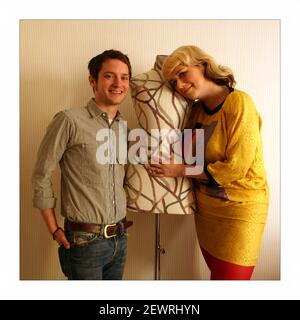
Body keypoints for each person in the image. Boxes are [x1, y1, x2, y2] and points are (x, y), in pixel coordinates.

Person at [146, 45, 269, 280]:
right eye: (174, 82)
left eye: (183, 74)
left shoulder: (240, 103)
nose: (180, 85)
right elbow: (185, 155)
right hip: (206, 212)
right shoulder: (194, 112)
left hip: (240, 211)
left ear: (202, 65)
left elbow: (236, 168)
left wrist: (179, 170)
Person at [32, 49, 133, 280]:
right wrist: (54, 229)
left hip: (120, 239)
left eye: (124, 77)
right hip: (84, 242)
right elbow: (41, 174)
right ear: (92, 80)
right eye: (109, 76)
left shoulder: (122, 127)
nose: (118, 83)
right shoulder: (69, 120)